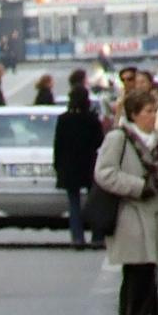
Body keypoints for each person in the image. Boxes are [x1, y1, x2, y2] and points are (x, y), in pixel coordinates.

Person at [94, 87, 158, 315]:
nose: (153, 116)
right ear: (134, 114)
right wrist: (138, 186)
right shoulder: (119, 138)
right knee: (136, 271)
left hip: (153, 214)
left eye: (154, 111)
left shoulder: (156, 141)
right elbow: (105, 173)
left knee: (148, 272)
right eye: (148, 112)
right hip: (130, 213)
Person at [53, 86, 105, 248]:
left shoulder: (64, 119)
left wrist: (58, 165)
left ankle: (77, 237)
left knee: (74, 204)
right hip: (90, 164)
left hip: (69, 166)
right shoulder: (92, 119)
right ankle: (97, 237)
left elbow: (58, 145)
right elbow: (100, 141)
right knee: (95, 202)